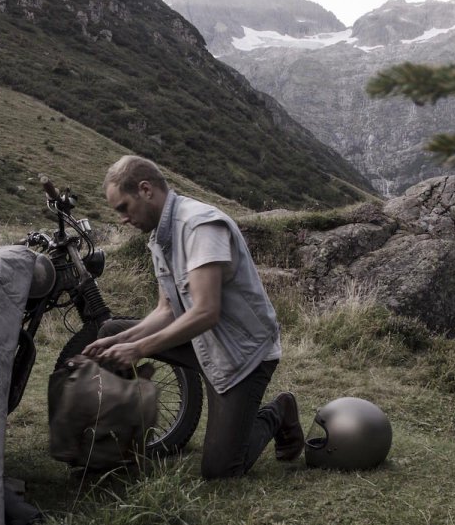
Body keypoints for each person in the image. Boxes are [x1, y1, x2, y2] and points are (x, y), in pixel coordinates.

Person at [83, 155, 304, 479]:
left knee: (222, 470)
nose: (123, 219)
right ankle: (119, 445)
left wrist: (139, 349)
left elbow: (205, 312)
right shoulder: (160, 237)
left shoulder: (199, 226)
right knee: (112, 329)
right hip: (202, 342)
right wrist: (121, 340)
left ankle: (279, 410)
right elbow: (167, 310)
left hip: (241, 354)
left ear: (146, 190)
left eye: (123, 207)